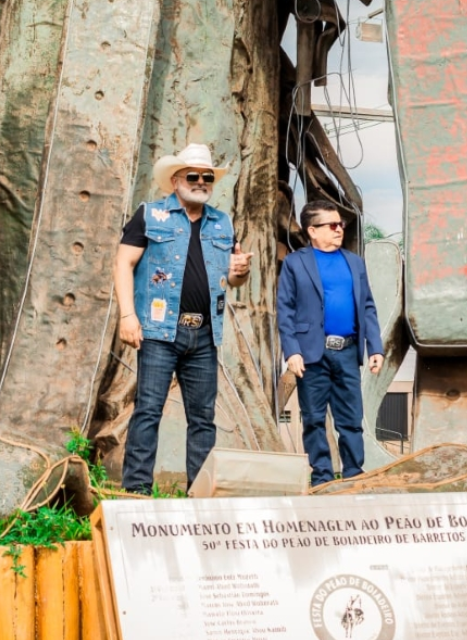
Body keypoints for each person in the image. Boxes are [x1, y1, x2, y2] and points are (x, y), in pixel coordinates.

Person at [114, 143, 252, 494]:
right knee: (148, 411)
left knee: (203, 420)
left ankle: (201, 494)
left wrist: (240, 272)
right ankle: (137, 491)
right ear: (176, 180)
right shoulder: (150, 214)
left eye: (208, 177)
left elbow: (232, 280)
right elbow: (123, 263)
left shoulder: (222, 222)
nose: (201, 182)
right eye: (193, 176)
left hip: (204, 334)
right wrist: (128, 315)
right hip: (160, 330)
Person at [277, 200, 384, 486]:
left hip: (347, 351)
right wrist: (292, 352)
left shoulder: (354, 262)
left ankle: (353, 476)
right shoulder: (294, 263)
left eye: (341, 225)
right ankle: (322, 479)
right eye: (332, 225)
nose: (339, 230)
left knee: (350, 419)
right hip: (312, 354)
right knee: (312, 419)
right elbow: (285, 310)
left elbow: (368, 306)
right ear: (312, 230)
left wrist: (375, 347)